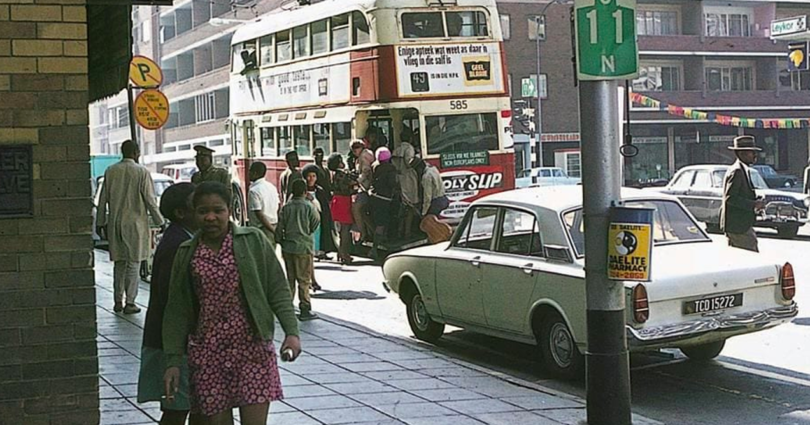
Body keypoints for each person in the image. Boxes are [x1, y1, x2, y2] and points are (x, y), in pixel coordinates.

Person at [162, 182, 301, 425]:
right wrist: (173, 361)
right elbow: (177, 309)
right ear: (194, 214)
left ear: (230, 211)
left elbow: (277, 290)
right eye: (203, 211)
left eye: (218, 210)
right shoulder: (187, 252)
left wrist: (292, 333)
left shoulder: (253, 241)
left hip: (252, 348)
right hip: (208, 352)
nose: (211, 217)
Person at [138, 183, 201, 425]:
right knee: (178, 407)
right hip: (175, 342)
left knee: (191, 405)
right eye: (197, 204)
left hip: (178, 340)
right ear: (181, 213)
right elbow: (173, 300)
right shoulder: (177, 245)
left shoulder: (183, 238)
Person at [96, 140, 165, 315]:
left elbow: (102, 200)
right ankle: (130, 302)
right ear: (136, 152)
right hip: (135, 224)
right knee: (133, 263)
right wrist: (160, 221)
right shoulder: (141, 172)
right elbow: (150, 200)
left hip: (115, 223)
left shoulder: (111, 171)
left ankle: (118, 300)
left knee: (119, 262)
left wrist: (100, 222)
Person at [276, 179, 320, 321]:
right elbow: (315, 222)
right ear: (305, 191)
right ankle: (305, 308)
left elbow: (279, 227)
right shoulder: (308, 206)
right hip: (303, 246)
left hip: (288, 247)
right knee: (303, 279)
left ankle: (287, 308)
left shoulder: (286, 207)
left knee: (290, 278)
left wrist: (280, 240)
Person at [721, 135, 766, 252]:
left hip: (741, 226)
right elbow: (730, 198)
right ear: (741, 154)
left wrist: (756, 200)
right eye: (752, 152)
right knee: (751, 259)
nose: (755, 156)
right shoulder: (737, 171)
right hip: (738, 227)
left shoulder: (742, 169)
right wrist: (754, 204)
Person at [303, 164, 337, 259]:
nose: (311, 179)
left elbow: (323, 208)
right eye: (309, 176)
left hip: (318, 219)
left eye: (313, 176)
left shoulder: (319, 191)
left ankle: (319, 251)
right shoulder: (302, 190)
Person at [369, 147, 398, 259]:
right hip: (384, 198)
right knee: (382, 223)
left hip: (375, 197)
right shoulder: (390, 168)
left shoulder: (374, 166)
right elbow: (392, 183)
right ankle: (374, 248)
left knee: (378, 222)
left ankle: (379, 241)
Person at [328, 153, 356, 265]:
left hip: (336, 200)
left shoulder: (334, 174)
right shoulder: (342, 175)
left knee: (340, 230)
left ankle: (340, 252)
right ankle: (345, 254)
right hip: (343, 201)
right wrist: (353, 186)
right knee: (345, 229)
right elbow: (345, 189)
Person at [247, 162, 280, 246]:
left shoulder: (253, 191)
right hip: (273, 225)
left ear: (255, 173)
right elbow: (278, 206)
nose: (248, 173)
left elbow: (259, 214)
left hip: (261, 229)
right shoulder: (272, 187)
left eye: (250, 171)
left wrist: (271, 229)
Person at [351, 140, 375, 242]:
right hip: (371, 187)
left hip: (366, 188)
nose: (354, 151)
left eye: (356, 148)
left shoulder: (363, 157)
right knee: (364, 212)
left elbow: (366, 171)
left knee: (356, 209)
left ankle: (363, 233)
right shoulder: (369, 153)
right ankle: (372, 232)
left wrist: (357, 181)